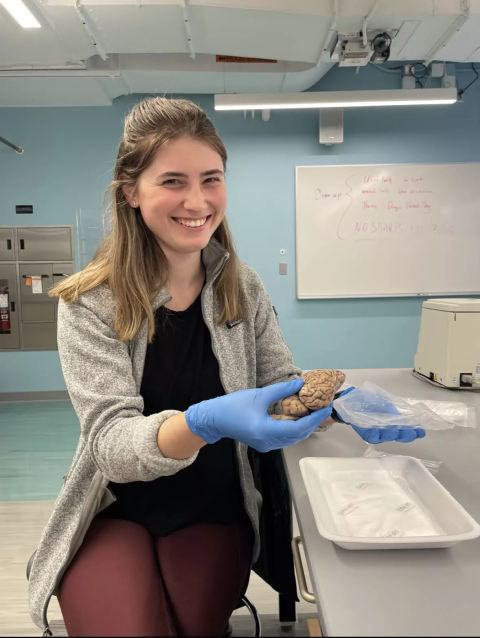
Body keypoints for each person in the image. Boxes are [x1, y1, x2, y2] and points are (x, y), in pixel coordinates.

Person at [28, 97, 425, 637]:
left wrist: (331, 406)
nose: (197, 200)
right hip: (113, 507)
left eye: (210, 178)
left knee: (193, 624)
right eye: (172, 181)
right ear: (130, 192)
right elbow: (110, 447)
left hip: (215, 504)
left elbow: (279, 387)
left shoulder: (244, 288)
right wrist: (202, 422)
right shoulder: (90, 302)